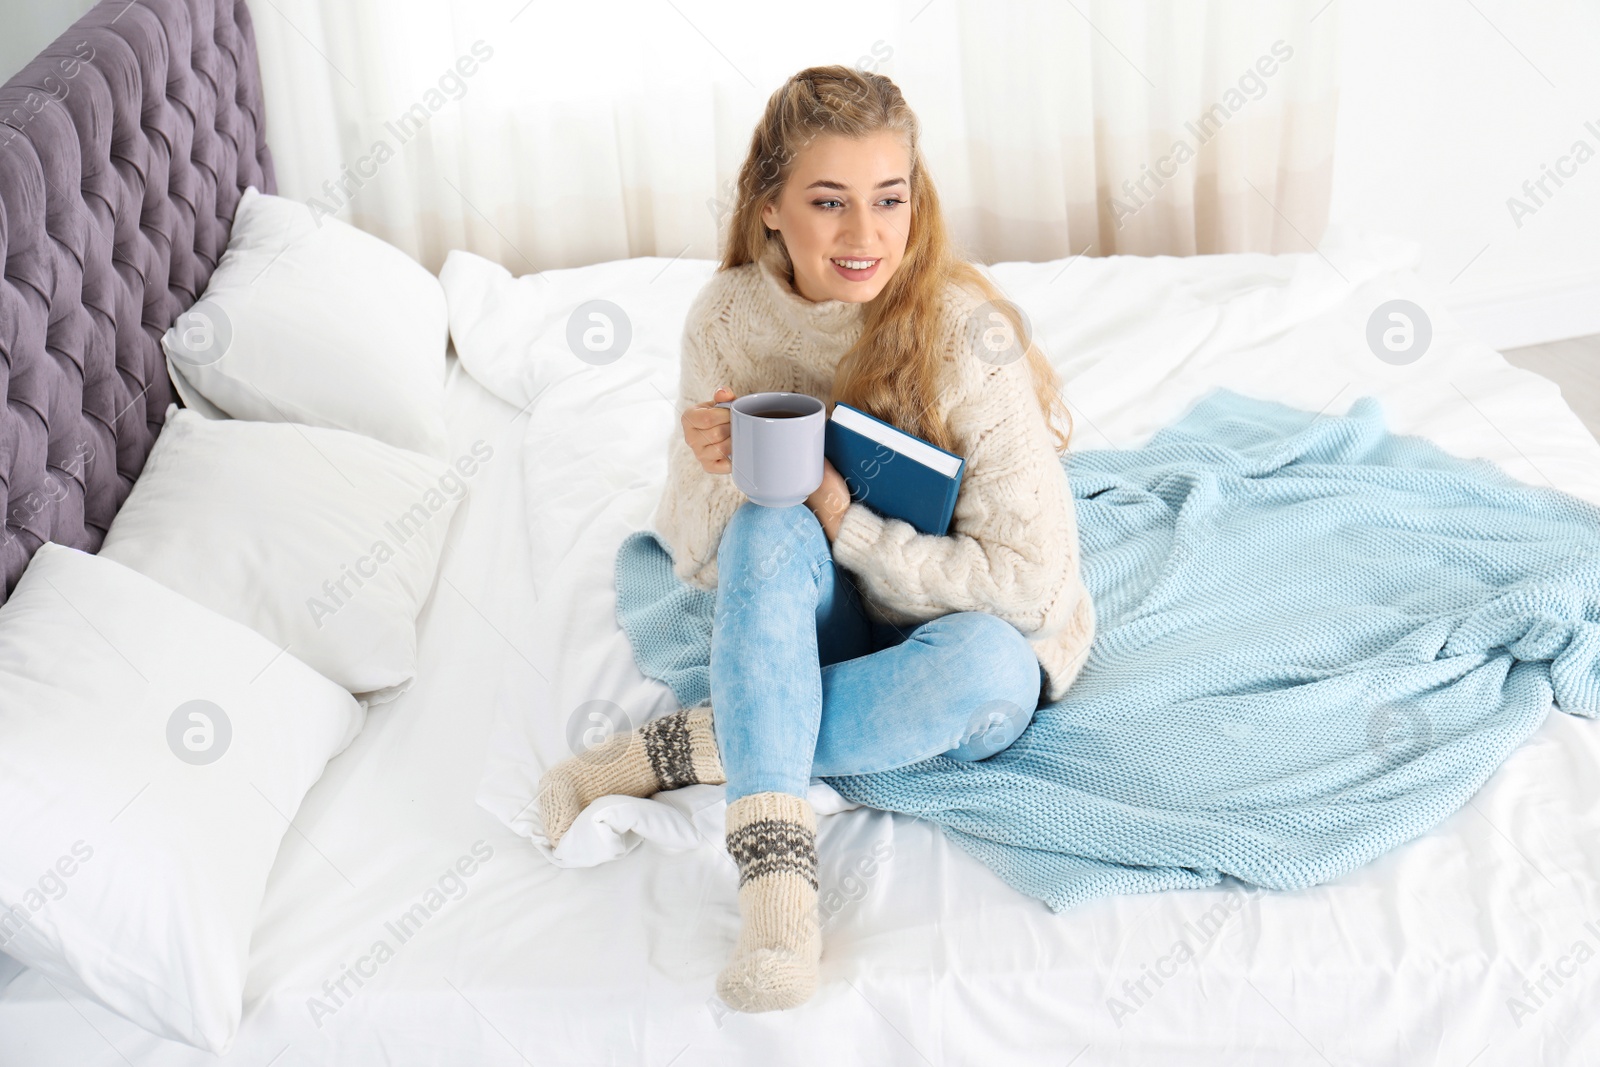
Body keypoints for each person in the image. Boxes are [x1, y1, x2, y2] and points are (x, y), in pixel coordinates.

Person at [537, 64, 1095, 1014]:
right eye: (828, 202)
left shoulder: (968, 336)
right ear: (768, 209)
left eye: (889, 200)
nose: (865, 235)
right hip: (826, 613)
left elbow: (1032, 592)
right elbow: (702, 563)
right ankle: (778, 894)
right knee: (762, 522)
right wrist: (709, 471)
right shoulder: (727, 319)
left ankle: (700, 744)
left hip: (966, 631)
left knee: (990, 673)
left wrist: (848, 521)